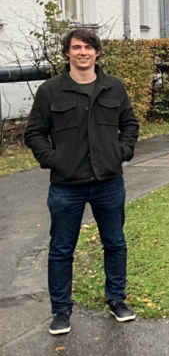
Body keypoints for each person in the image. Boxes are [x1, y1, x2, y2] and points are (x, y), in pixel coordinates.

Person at [24, 28, 140, 335]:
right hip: (66, 186)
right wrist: (53, 160)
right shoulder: (51, 91)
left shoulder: (113, 87)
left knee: (115, 243)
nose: (83, 52)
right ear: (67, 53)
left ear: (97, 52)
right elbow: (34, 132)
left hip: (108, 182)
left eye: (89, 47)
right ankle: (61, 310)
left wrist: (122, 152)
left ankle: (117, 300)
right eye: (76, 48)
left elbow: (129, 123)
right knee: (61, 249)